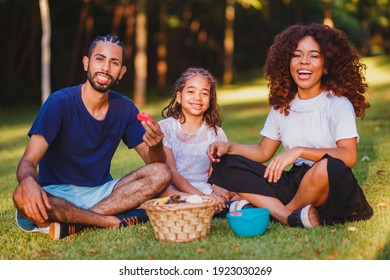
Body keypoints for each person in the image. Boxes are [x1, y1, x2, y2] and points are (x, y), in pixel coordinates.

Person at [206, 23, 374, 228]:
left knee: (328, 166)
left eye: (314, 55)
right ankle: (288, 216)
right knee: (226, 162)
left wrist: (299, 151)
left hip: (328, 183)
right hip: (295, 182)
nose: (304, 61)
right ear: (287, 62)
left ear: (326, 65)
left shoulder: (338, 104)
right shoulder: (283, 105)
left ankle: (277, 211)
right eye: (297, 55)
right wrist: (229, 147)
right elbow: (262, 151)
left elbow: (349, 156)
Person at [12, 34, 171, 240]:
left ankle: (77, 223)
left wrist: (156, 145)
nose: (105, 68)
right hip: (57, 194)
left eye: (114, 63)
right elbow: (28, 161)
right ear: (86, 63)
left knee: (161, 173)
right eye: (99, 59)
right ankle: (107, 219)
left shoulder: (124, 107)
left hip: (103, 192)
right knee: (20, 196)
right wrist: (28, 182)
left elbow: (154, 164)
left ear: (121, 72)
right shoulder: (59, 102)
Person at [158, 67, 246, 214]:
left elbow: (215, 173)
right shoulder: (166, 128)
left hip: (205, 188)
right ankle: (207, 204)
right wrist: (202, 197)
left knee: (241, 190)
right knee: (160, 193)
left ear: (210, 100)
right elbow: (171, 172)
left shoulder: (214, 133)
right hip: (175, 190)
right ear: (179, 97)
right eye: (191, 91)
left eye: (204, 93)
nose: (197, 98)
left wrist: (219, 191)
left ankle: (224, 205)